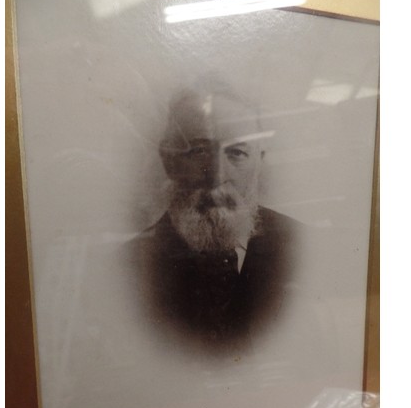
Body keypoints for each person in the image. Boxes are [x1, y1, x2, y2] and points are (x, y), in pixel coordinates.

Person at [123, 87, 301, 351]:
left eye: (237, 153)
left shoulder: (297, 245)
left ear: (259, 162)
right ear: (168, 160)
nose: (217, 177)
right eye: (198, 152)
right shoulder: (129, 265)